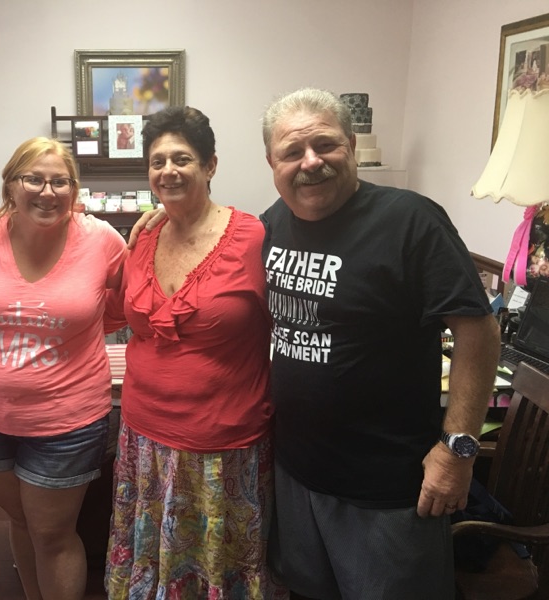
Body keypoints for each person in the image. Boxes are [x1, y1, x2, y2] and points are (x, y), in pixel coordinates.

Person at [261, 88, 501, 599]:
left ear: (351, 146)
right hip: (296, 473)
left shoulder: (410, 220)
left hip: (387, 488)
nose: (310, 162)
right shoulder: (272, 223)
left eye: (325, 144)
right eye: (292, 152)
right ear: (272, 163)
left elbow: (478, 330)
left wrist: (458, 450)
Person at [105, 106, 285, 599]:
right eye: (157, 161)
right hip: (144, 439)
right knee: (153, 561)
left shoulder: (255, 237)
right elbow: (112, 312)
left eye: (182, 158)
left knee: (219, 569)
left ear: (210, 165)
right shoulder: (143, 236)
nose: (168, 170)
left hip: (224, 448)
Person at [0, 137, 126, 600]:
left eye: (60, 182)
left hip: (66, 421)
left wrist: (80, 324)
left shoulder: (102, 240)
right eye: (33, 179)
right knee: (20, 520)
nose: (47, 192)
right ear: (11, 185)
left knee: (52, 535)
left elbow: (126, 303)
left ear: (75, 189)